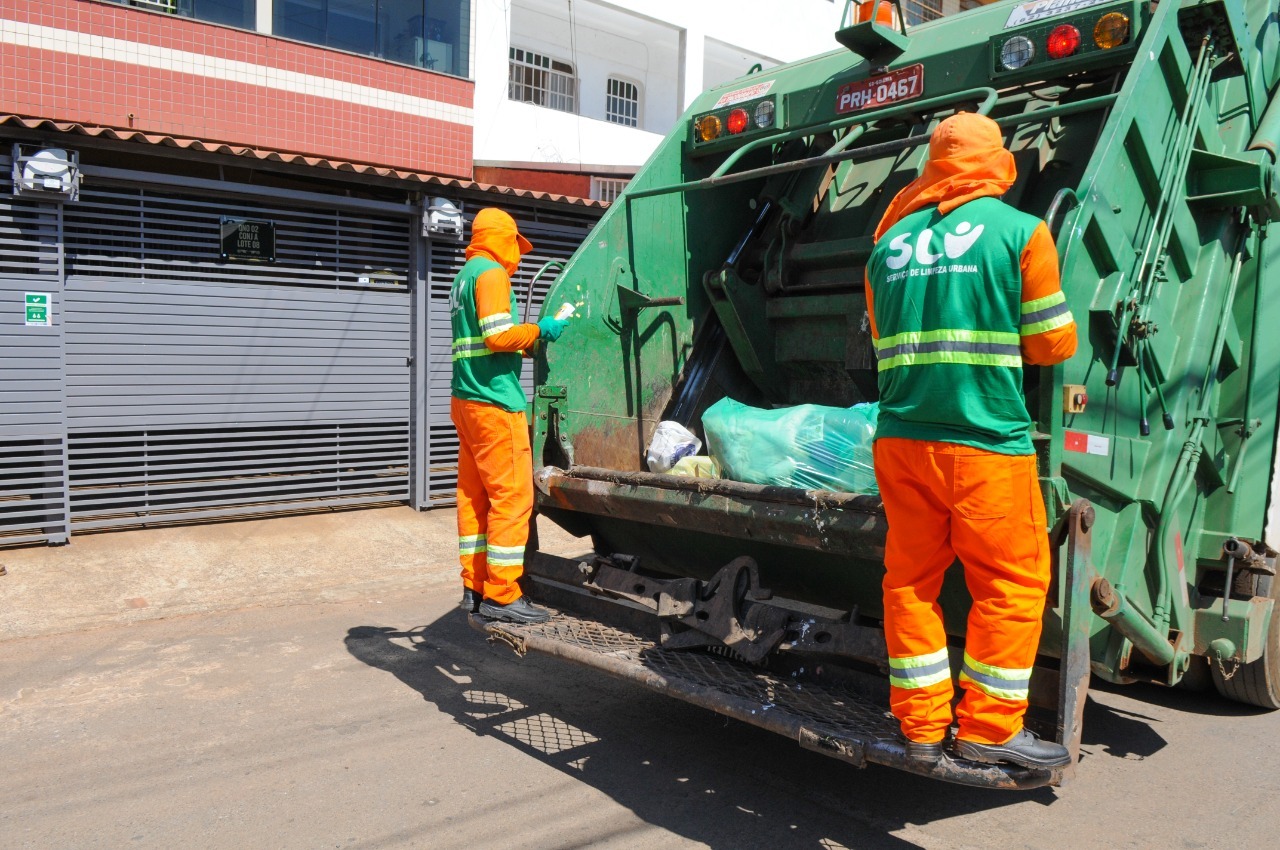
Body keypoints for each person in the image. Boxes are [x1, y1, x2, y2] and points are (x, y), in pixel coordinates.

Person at [865, 113, 1078, 769]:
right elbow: (1049, 344)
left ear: (933, 164)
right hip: (985, 442)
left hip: (901, 441)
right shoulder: (1021, 233)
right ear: (997, 163)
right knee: (1010, 585)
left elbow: (882, 342)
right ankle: (988, 732)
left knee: (909, 584)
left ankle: (922, 726)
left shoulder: (887, 245)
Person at [451, 208, 569, 624]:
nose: (517, 257)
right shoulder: (493, 275)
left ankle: (475, 587)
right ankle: (503, 594)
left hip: (466, 401)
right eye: (515, 247)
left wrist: (525, 344)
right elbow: (497, 335)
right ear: (504, 239)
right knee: (513, 497)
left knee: (474, 497)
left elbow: (482, 341)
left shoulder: (465, 276)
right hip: (495, 402)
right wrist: (542, 330)